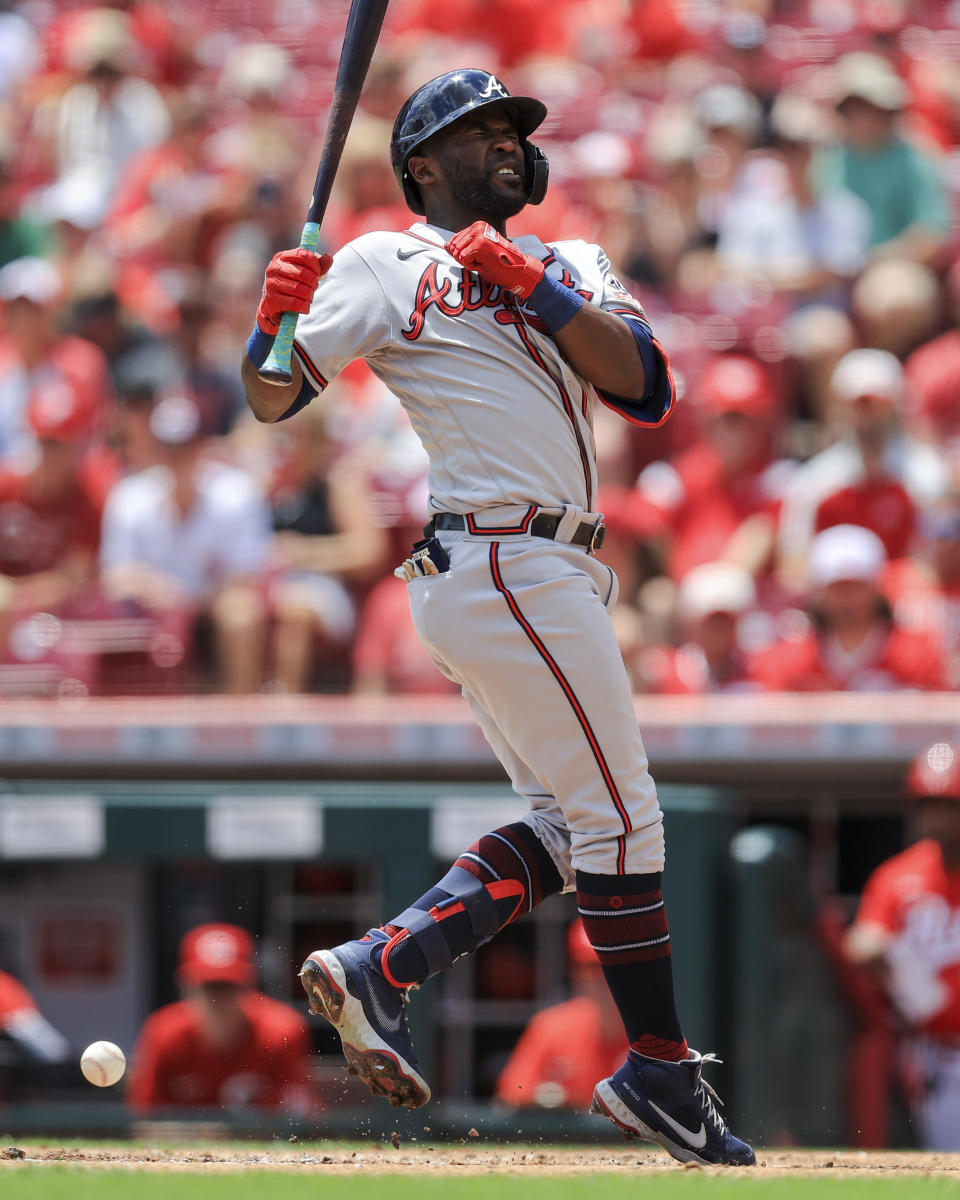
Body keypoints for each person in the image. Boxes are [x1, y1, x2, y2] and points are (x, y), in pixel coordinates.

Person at [242, 68, 754, 1167]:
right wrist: (271, 318)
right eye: (479, 131)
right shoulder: (390, 259)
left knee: (577, 829)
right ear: (421, 163)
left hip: (544, 567)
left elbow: (648, 387)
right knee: (629, 819)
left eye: (516, 127)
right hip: (500, 551)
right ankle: (662, 1066)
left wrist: (536, 284)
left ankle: (384, 967)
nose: (509, 142)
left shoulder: (572, 260)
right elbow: (275, 393)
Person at [99, 393, 271, 693]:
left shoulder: (238, 493)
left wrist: (195, 601)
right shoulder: (129, 497)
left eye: (185, 447)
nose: (177, 458)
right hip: (153, 611)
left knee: (242, 613)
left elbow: (249, 573)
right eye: (168, 448)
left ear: (202, 448)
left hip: (214, 606)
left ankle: (240, 720)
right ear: (156, 449)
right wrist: (158, 591)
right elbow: (113, 575)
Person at [844, 743, 960, 1150]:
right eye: (929, 805)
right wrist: (884, 953)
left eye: (948, 806)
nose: (937, 818)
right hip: (938, 1057)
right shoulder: (899, 876)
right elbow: (862, 941)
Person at [126, 923, 317, 1114]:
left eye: (228, 986)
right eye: (208, 987)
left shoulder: (282, 1031)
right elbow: (145, 1119)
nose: (218, 1000)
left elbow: (300, 1119)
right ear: (185, 987)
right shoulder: (163, 1033)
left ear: (249, 986)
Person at [751, 524, 944, 693]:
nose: (847, 598)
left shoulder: (918, 654)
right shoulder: (790, 661)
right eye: (837, 588)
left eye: (856, 586)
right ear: (819, 592)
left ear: (877, 588)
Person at [496, 919, 626, 1109]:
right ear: (575, 972)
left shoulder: (657, 1032)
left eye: (613, 966)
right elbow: (509, 1094)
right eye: (591, 967)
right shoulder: (551, 1026)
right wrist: (547, 1098)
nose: (603, 978)